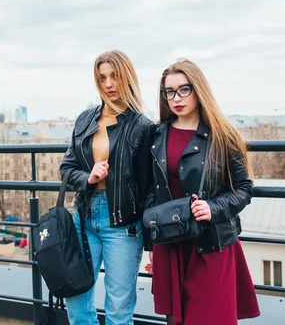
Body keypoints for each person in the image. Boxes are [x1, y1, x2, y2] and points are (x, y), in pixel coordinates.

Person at [145, 58, 260, 325]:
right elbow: (151, 190)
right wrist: (151, 241)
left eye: (184, 89)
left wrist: (213, 208)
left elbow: (244, 188)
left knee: (211, 318)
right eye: (169, 92)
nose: (176, 98)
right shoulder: (157, 135)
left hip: (211, 243)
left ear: (198, 90)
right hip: (170, 242)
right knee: (177, 320)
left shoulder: (223, 135)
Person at [60, 50, 155, 325]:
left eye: (115, 76)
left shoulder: (142, 126)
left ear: (127, 77)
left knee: (118, 311)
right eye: (102, 78)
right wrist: (88, 178)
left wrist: (152, 243)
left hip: (124, 225)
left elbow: (150, 188)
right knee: (77, 302)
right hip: (84, 218)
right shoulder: (85, 119)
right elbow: (67, 169)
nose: (109, 84)